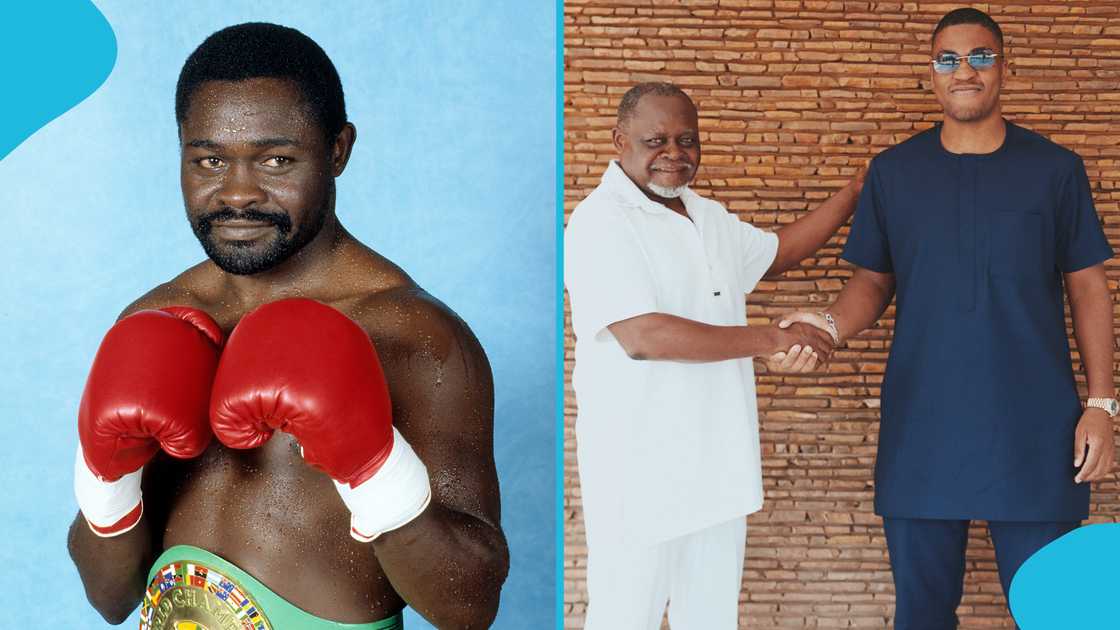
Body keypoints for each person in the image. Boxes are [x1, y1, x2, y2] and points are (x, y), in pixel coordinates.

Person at [67, 23, 508, 630]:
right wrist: (107, 484)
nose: (238, 194)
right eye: (209, 160)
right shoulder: (156, 318)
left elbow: (470, 607)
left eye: (276, 160)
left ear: (337, 150)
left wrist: (376, 471)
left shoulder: (413, 334)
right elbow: (111, 598)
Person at [779, 8, 1116, 628]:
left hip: (1037, 430)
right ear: (932, 72)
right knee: (922, 616)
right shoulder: (894, 173)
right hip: (923, 432)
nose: (965, 71)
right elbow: (872, 283)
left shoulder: (1056, 170)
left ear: (1004, 68)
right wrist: (826, 326)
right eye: (949, 59)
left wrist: (1102, 405)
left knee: (1060, 613)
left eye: (981, 56)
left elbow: (1088, 287)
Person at [563, 82, 861, 629]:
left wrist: (856, 192)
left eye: (687, 140)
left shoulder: (707, 215)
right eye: (655, 140)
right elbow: (643, 336)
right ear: (619, 140)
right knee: (624, 618)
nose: (674, 153)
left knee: (711, 619)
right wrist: (771, 339)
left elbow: (780, 252)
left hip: (719, 467)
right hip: (639, 474)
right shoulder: (600, 221)